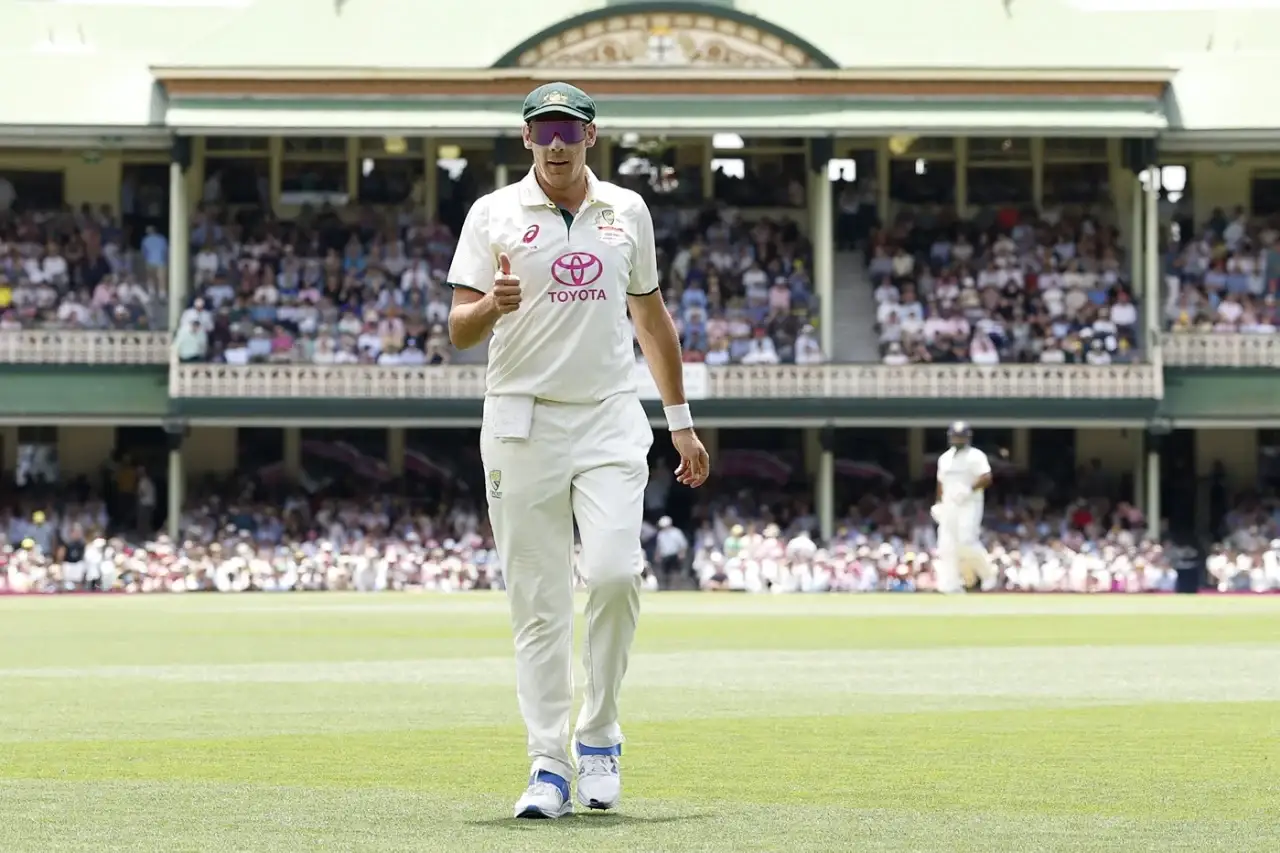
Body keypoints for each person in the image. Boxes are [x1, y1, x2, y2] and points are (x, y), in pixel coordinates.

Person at [445, 81, 711, 819]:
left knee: (616, 573)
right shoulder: (491, 214)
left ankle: (599, 737)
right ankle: (547, 764)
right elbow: (457, 329)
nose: (555, 142)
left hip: (607, 416)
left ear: (592, 135)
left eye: (568, 128)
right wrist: (489, 308)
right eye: (542, 130)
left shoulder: (627, 211)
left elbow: (652, 320)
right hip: (520, 419)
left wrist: (680, 421)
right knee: (540, 604)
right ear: (526, 138)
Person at [932, 421, 996, 593]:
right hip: (949, 505)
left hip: (969, 504)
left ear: (967, 438)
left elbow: (986, 477)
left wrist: (969, 489)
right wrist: (939, 503)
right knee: (946, 545)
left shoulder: (976, 456)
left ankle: (989, 574)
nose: (957, 440)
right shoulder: (944, 458)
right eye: (954, 436)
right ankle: (950, 584)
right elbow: (940, 483)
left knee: (966, 541)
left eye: (960, 437)